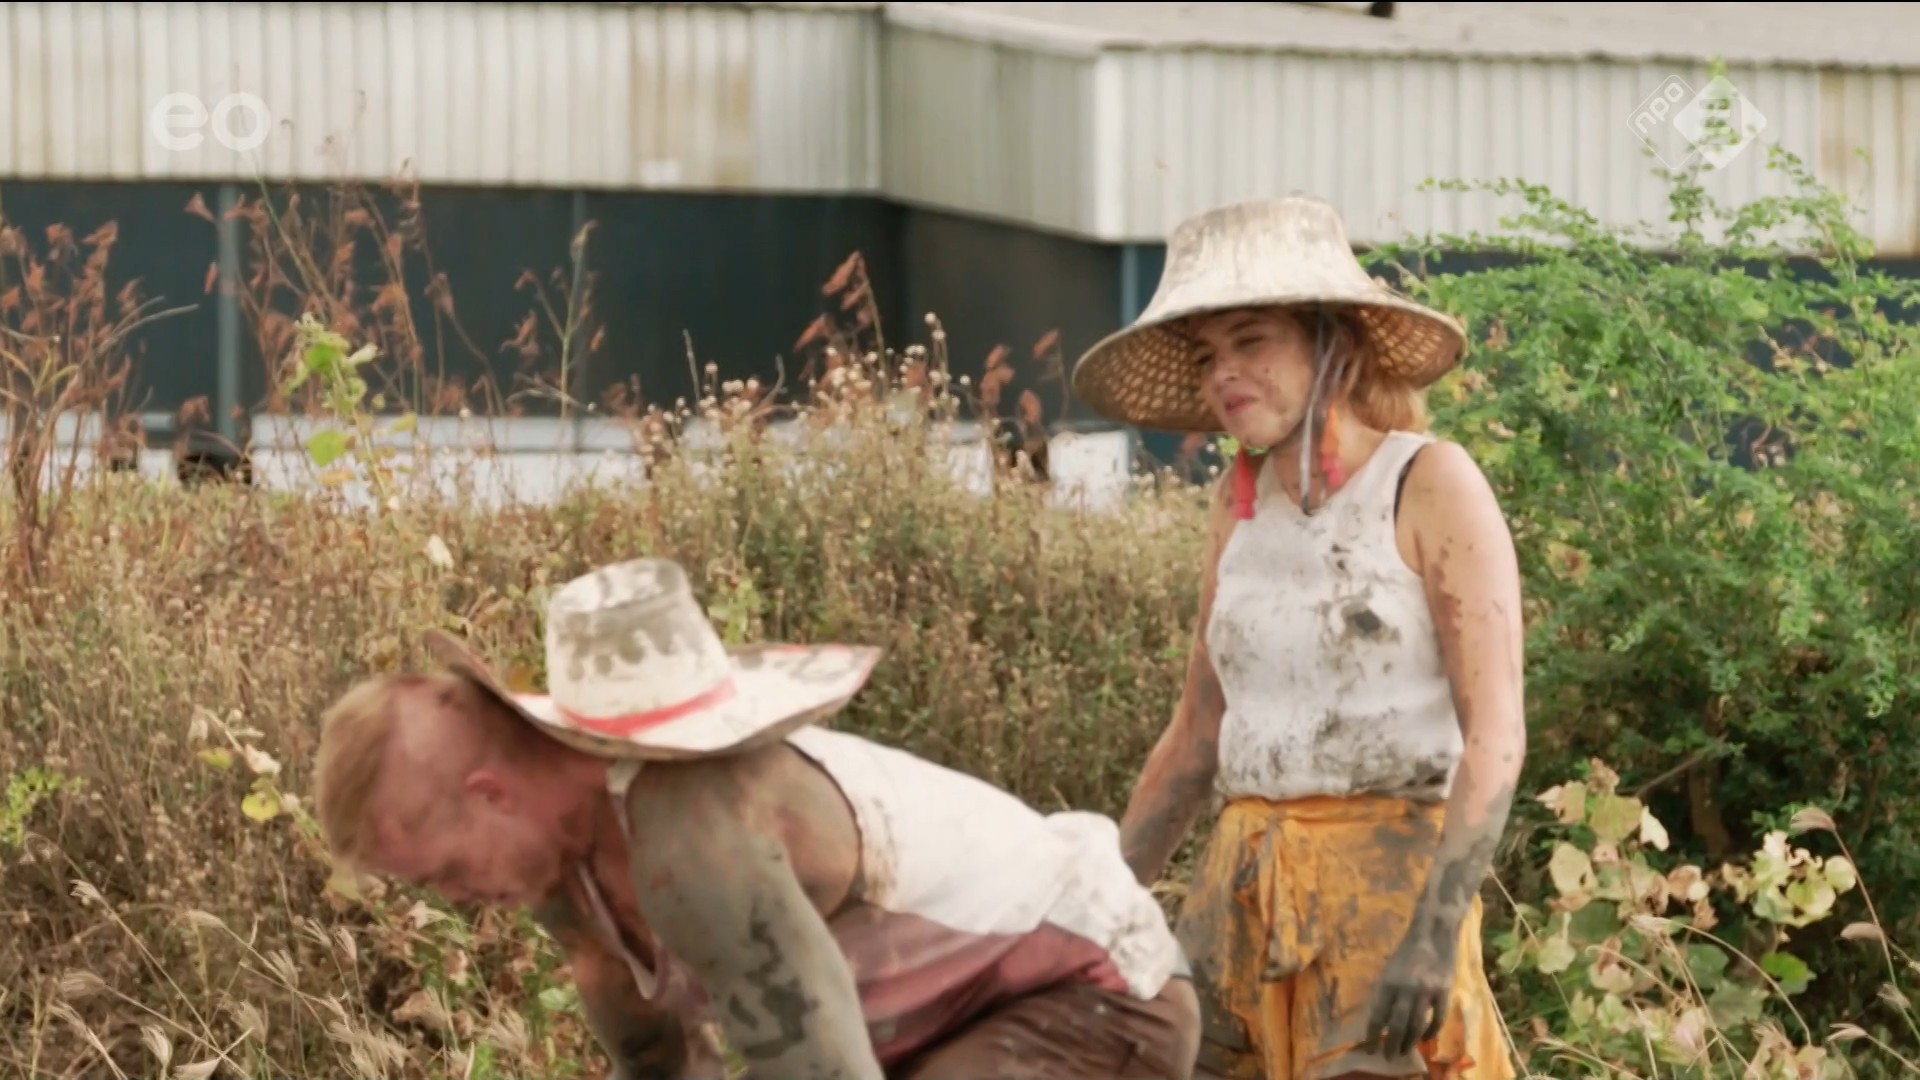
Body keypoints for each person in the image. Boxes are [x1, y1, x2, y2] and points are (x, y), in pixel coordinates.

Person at [311, 556, 1201, 1080]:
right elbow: (660, 1065)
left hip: (1092, 996)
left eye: (447, 872)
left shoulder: (693, 842)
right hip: (937, 1032)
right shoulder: (562, 874)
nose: (460, 898)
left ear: (489, 793)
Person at [1070, 194, 1525, 1080]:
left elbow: (1496, 736)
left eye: (1252, 342)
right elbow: (1196, 736)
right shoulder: (1237, 504)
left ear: (1334, 347)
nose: (1225, 374)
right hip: (1239, 888)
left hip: (1384, 882)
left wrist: (1436, 931)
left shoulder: (1430, 483)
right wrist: (1098, 912)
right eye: (1208, 356)